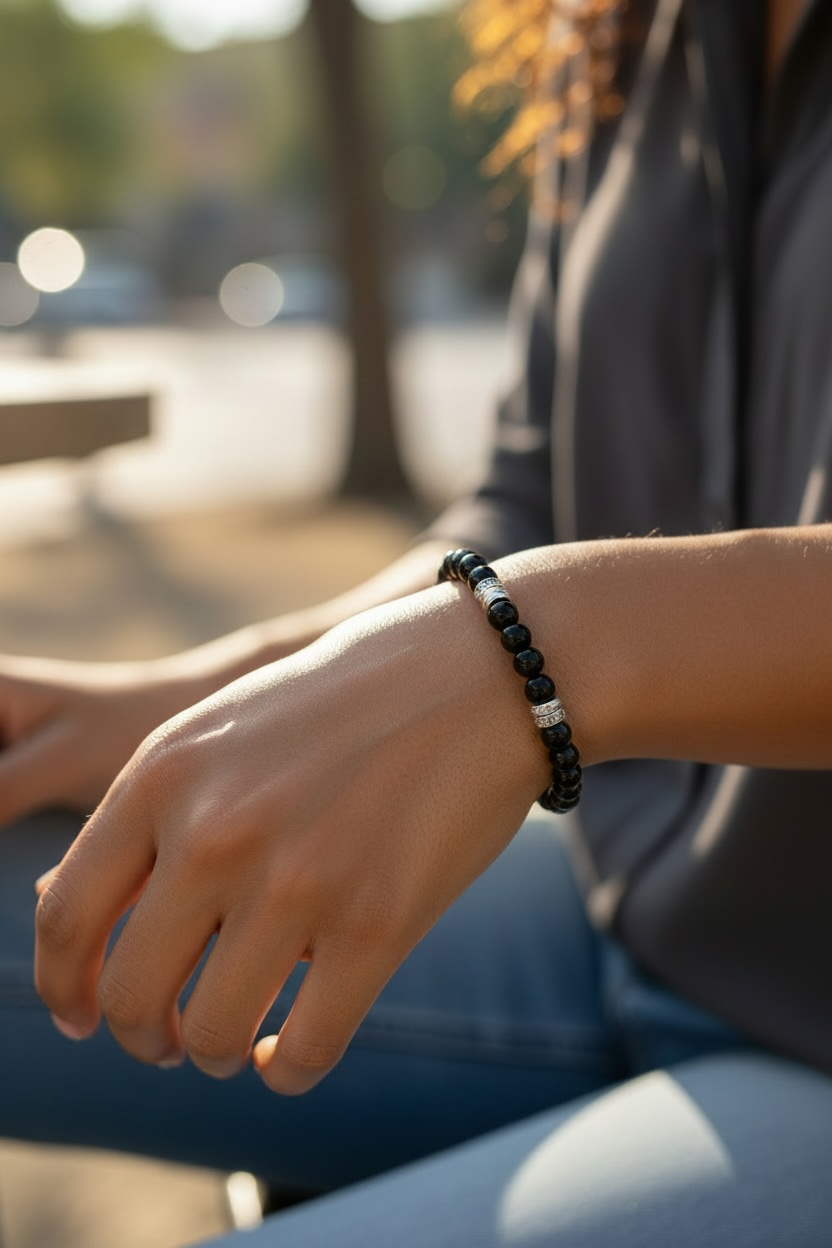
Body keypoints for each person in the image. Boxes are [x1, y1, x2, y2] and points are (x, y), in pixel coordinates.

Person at [2, 0, 832, 1243]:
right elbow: (526, 495)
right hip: (616, 918)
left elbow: (529, 614)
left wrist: (542, 649)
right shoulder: (623, 30)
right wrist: (215, 691)